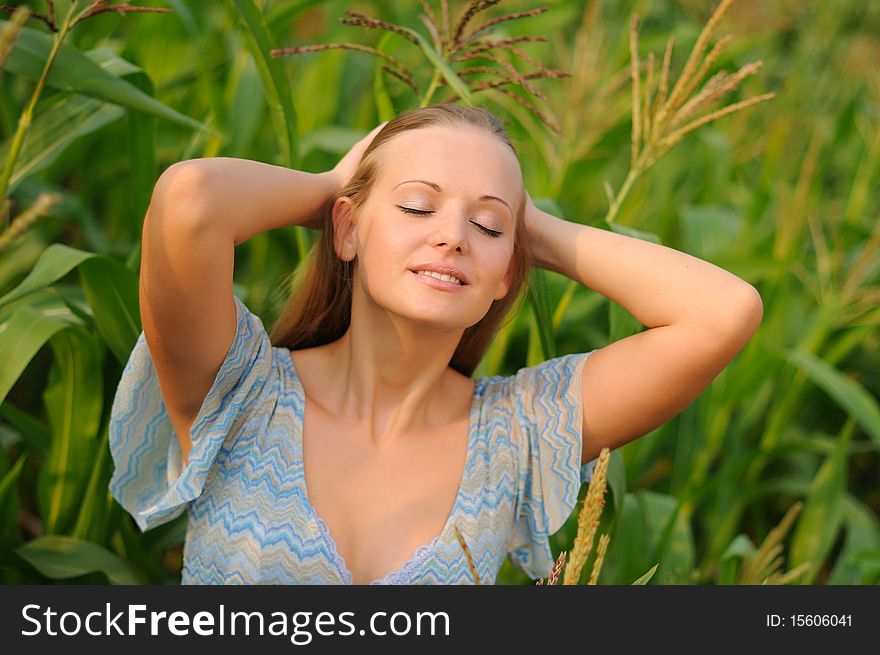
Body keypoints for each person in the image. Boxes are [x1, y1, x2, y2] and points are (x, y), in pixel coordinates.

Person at [108, 103, 762, 585]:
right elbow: (188, 203)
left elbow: (723, 313)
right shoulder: (243, 391)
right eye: (418, 206)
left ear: (507, 272)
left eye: (484, 223)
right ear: (347, 230)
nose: (452, 235)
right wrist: (332, 187)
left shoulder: (517, 435)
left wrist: (531, 229)